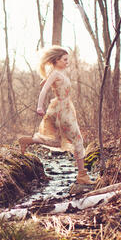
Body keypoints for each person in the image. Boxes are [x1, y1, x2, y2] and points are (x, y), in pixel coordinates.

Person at [18, 45, 94, 185]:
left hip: (66, 108)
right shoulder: (55, 74)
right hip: (61, 111)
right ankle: (82, 176)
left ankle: (28, 140)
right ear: (57, 60)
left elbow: (50, 83)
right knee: (77, 141)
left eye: (67, 59)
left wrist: (47, 80)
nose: (67, 62)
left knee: (61, 142)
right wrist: (40, 106)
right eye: (65, 59)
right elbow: (44, 91)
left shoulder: (58, 74)